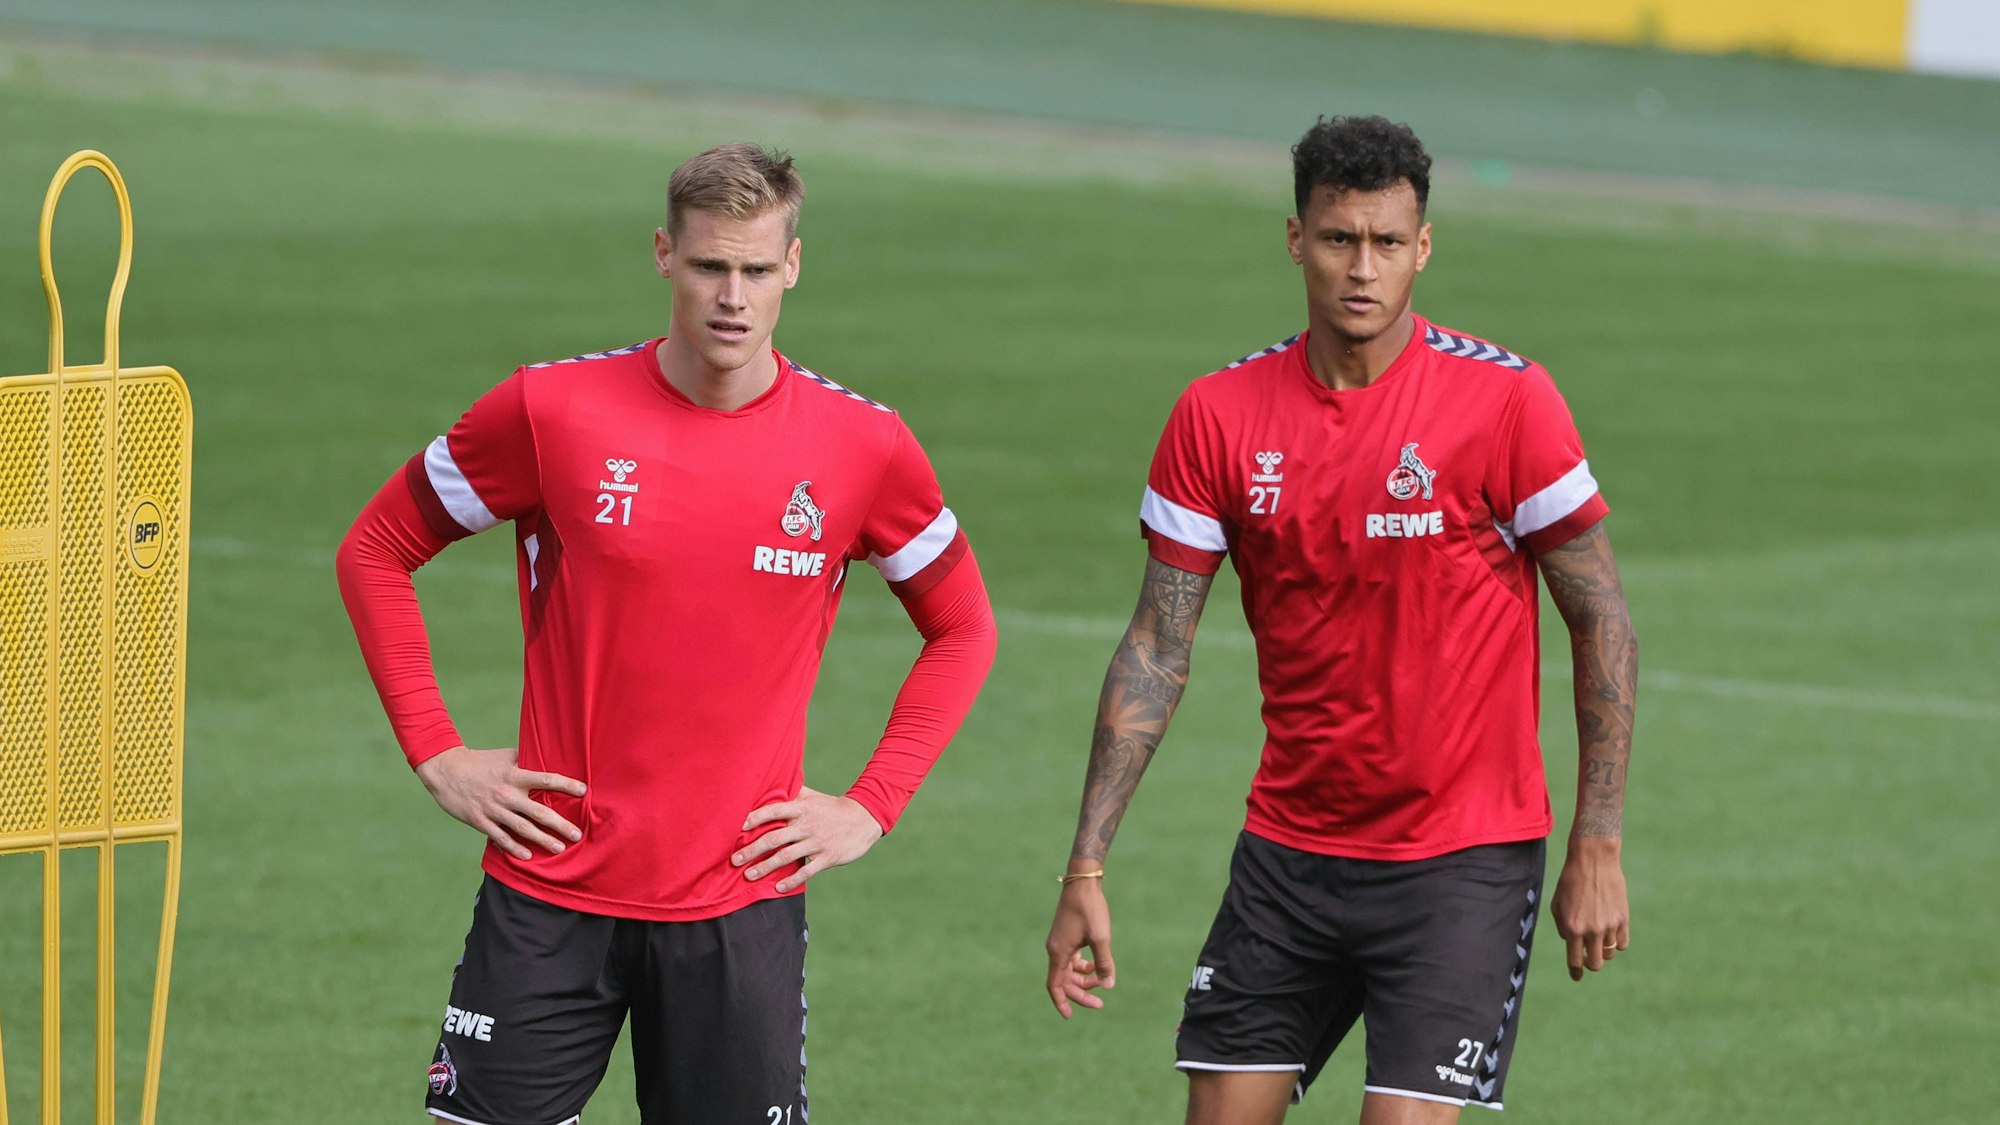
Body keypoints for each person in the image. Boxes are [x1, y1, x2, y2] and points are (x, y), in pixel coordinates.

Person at [336, 143, 996, 1125]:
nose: (732, 296)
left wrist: (871, 804)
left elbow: (963, 628)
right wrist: (436, 751)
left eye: (756, 271)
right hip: (547, 889)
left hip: (740, 907)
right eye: (709, 266)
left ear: (793, 267)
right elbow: (376, 548)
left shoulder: (862, 447)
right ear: (663, 255)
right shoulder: (549, 411)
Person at [1043, 116, 1637, 1124]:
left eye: (1386, 243)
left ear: (1423, 247)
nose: (1361, 269)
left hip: (1460, 863)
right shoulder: (1218, 416)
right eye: (1336, 239)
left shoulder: (1505, 403)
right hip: (1290, 856)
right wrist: (1085, 863)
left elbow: (1601, 620)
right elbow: (1156, 644)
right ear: (1293, 238)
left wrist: (1598, 844)